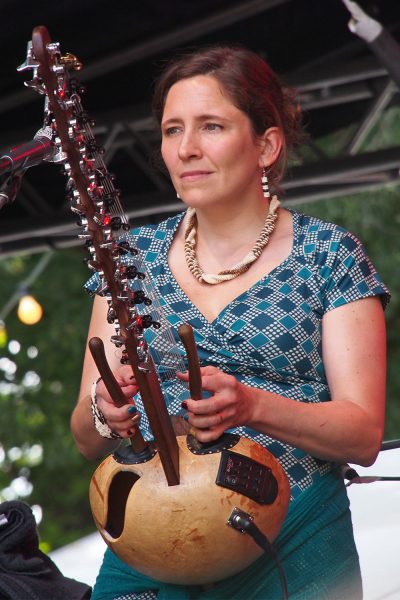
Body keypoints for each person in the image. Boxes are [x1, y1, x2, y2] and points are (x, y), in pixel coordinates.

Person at [71, 44, 390, 600]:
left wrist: (253, 406)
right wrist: (105, 412)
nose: (186, 149)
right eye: (172, 131)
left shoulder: (328, 254)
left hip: (291, 530)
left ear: (266, 145)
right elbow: (82, 435)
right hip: (153, 533)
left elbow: (363, 435)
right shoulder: (130, 260)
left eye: (211, 126)